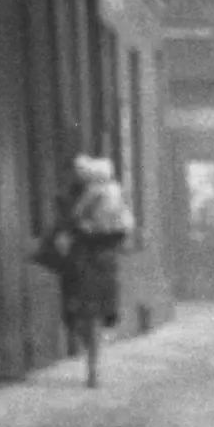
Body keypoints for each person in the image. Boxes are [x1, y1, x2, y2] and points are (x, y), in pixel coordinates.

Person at [52, 155, 132, 387]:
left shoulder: (97, 196)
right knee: (87, 315)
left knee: (89, 314)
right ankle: (94, 359)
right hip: (95, 262)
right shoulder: (105, 194)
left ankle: (93, 366)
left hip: (89, 262)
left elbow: (72, 223)